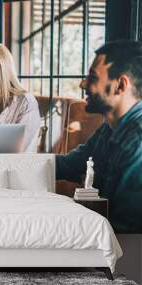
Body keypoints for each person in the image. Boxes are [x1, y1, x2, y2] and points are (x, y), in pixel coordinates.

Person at [56, 40, 142, 233]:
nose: (83, 83)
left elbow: (126, 230)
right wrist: (6, 163)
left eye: (93, 77)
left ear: (120, 85)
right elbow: (68, 165)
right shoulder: (110, 128)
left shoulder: (138, 140)